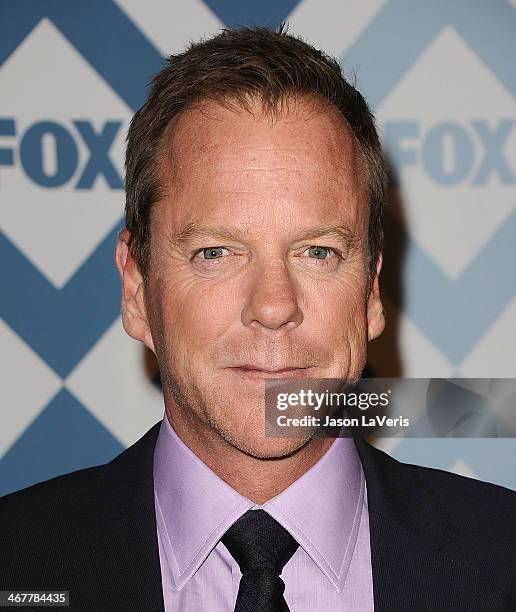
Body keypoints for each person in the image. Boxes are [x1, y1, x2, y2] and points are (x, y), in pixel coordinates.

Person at [1, 24, 515, 612]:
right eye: (215, 252)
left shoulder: (503, 558)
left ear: (371, 291)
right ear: (137, 288)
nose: (274, 307)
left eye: (318, 252)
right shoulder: (18, 562)